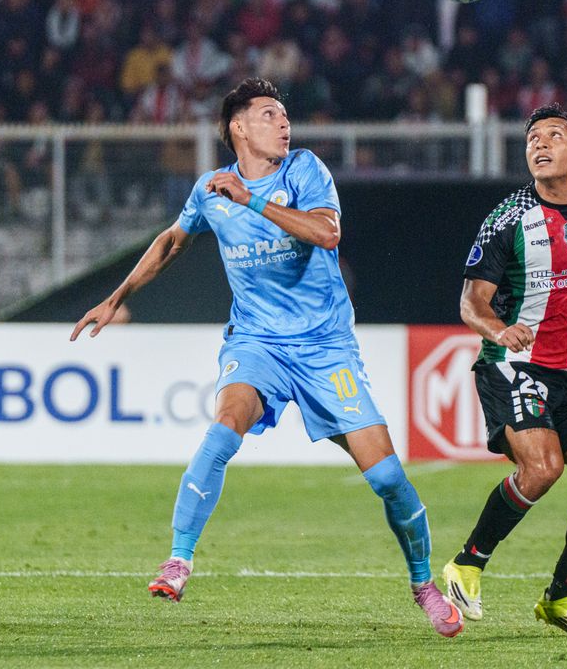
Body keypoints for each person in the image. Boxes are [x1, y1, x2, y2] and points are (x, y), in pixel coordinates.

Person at [69, 78, 463, 637]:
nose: (284, 123)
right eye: (270, 114)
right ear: (238, 127)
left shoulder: (303, 170)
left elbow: (327, 233)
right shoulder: (210, 188)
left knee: (388, 478)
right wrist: (114, 300)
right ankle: (178, 560)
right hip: (257, 341)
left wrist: (251, 198)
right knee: (227, 420)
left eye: (284, 115)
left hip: (326, 347)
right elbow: (169, 243)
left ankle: (423, 583)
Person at [440, 103, 567, 638]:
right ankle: (466, 565)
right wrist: (499, 331)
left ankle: (560, 597)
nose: (540, 145)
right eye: (531, 140)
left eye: (553, 135)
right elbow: (471, 304)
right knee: (542, 469)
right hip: (514, 363)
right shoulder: (507, 219)